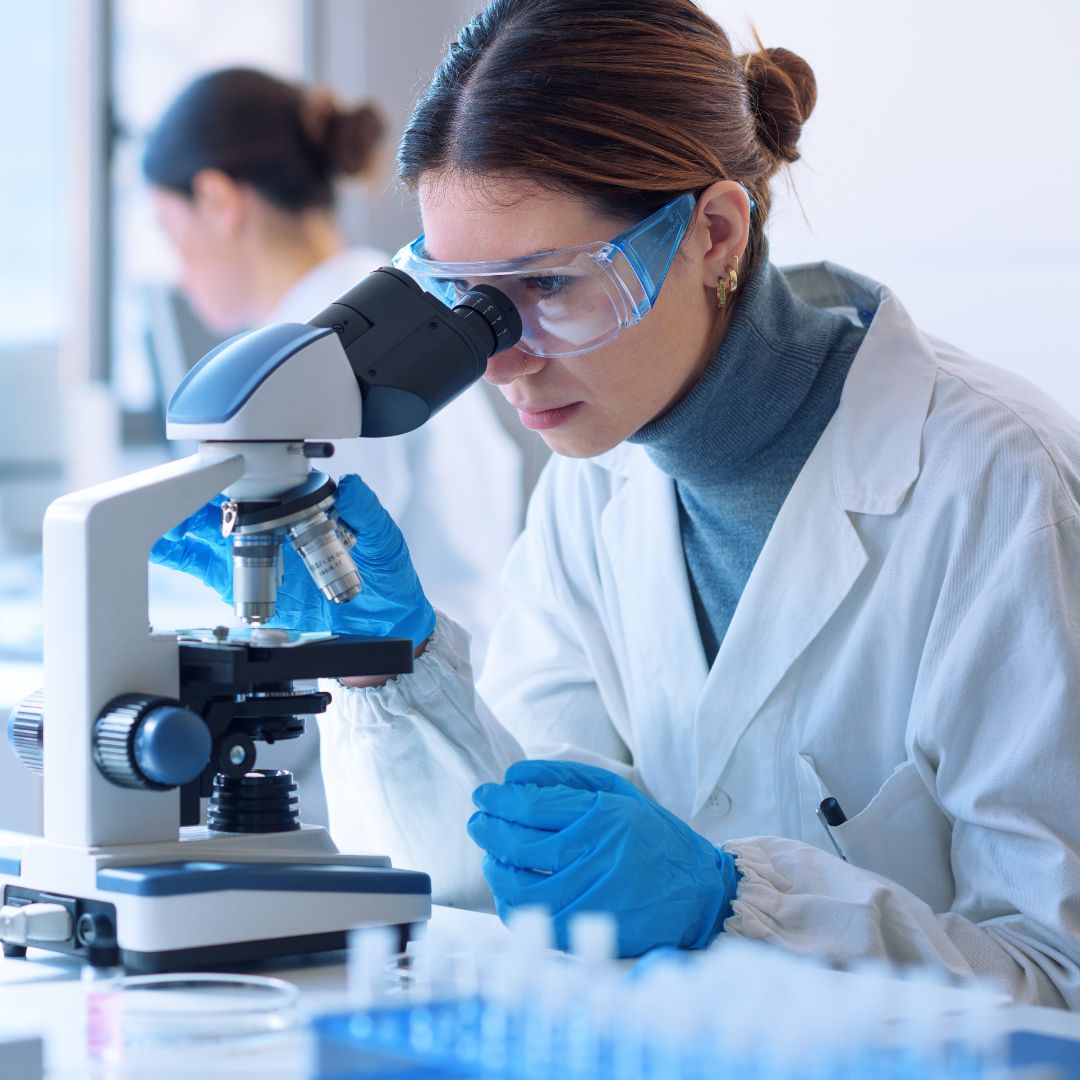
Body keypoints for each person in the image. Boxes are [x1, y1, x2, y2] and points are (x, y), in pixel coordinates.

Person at [154, 2, 1080, 1008]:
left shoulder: (997, 488)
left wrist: (741, 909)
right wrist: (392, 675)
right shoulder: (594, 482)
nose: (500, 361)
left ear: (714, 234)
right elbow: (498, 887)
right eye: (465, 297)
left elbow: (1058, 980)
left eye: (549, 284)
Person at [142, 67, 523, 655]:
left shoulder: (317, 356)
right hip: (450, 662)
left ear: (217, 201)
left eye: (170, 231)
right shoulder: (376, 309)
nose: (177, 272)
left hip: (415, 674)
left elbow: (321, 584)